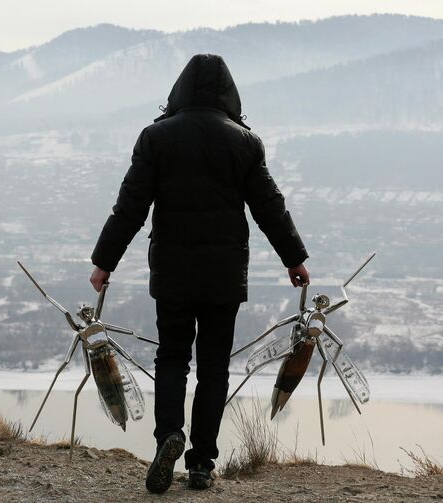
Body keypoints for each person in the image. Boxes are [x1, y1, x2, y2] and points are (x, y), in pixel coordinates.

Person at [89, 53, 309, 493]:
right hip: (224, 277)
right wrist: (294, 258)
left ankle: (169, 435)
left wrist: (104, 261)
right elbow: (270, 206)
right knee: (213, 367)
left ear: (179, 90)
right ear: (229, 94)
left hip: (172, 272)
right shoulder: (244, 142)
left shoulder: (156, 138)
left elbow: (130, 206)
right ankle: (202, 462)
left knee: (172, 356)